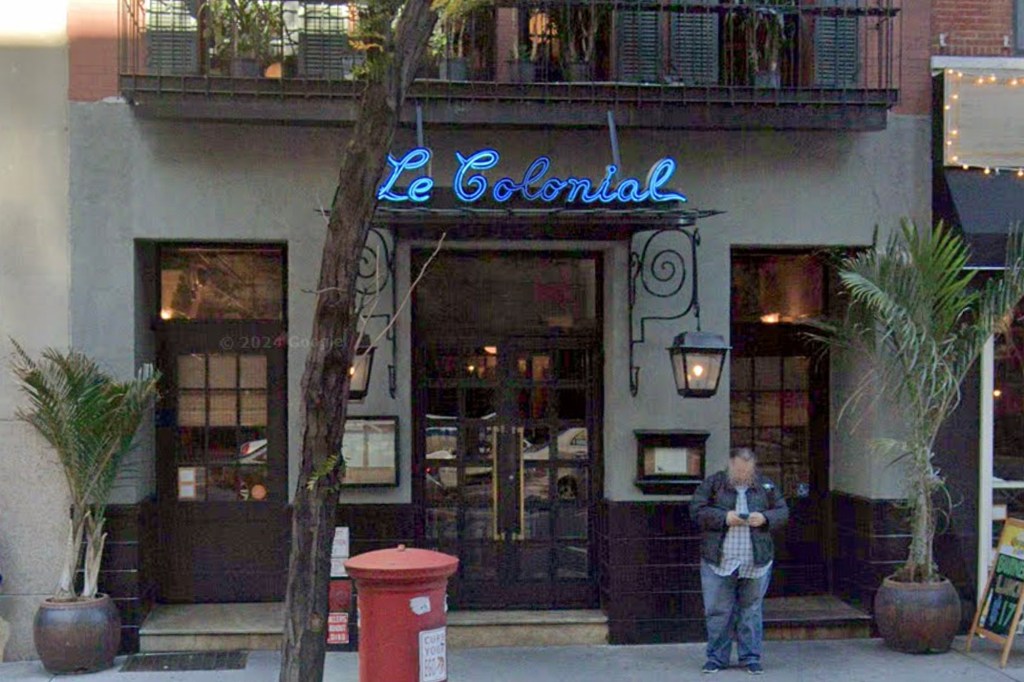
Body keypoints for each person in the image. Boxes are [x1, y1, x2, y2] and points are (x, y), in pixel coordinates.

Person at [690, 448, 789, 675]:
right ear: (730, 465)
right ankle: (716, 658)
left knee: (751, 611)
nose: (742, 474)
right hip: (719, 559)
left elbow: (783, 512)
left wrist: (765, 518)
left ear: (753, 468)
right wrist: (724, 518)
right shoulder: (714, 484)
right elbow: (696, 509)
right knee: (718, 611)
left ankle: (751, 657)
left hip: (755, 560)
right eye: (738, 469)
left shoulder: (766, 486)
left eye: (747, 470)